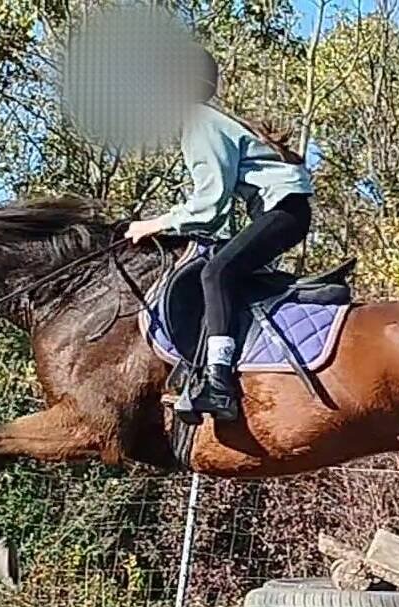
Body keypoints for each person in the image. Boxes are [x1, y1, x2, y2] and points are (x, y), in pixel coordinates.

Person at [125, 48, 314, 423]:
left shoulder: (200, 122)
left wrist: (153, 224)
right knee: (222, 269)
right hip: (284, 211)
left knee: (216, 274)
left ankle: (219, 386)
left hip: (283, 212)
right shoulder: (210, 119)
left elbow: (209, 208)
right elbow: (217, 214)